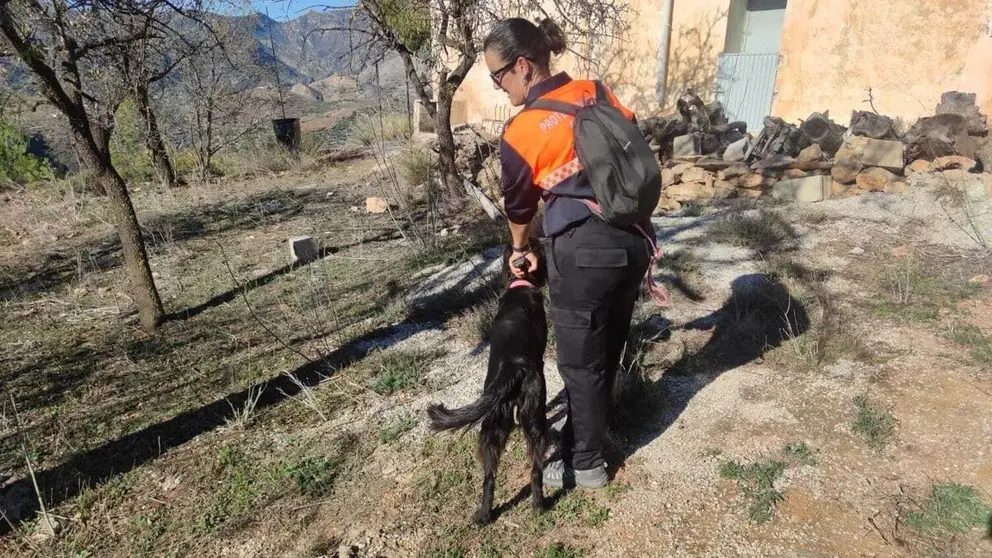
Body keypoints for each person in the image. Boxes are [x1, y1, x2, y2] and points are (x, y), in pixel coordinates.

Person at [483, 17, 653, 489]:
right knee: (611, 343)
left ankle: (588, 463)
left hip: (582, 254)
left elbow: (520, 205)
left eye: (498, 76)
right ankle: (595, 428)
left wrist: (521, 248)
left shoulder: (521, 131)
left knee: (580, 362)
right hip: (634, 239)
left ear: (522, 66)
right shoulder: (596, 91)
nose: (499, 88)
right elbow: (630, 147)